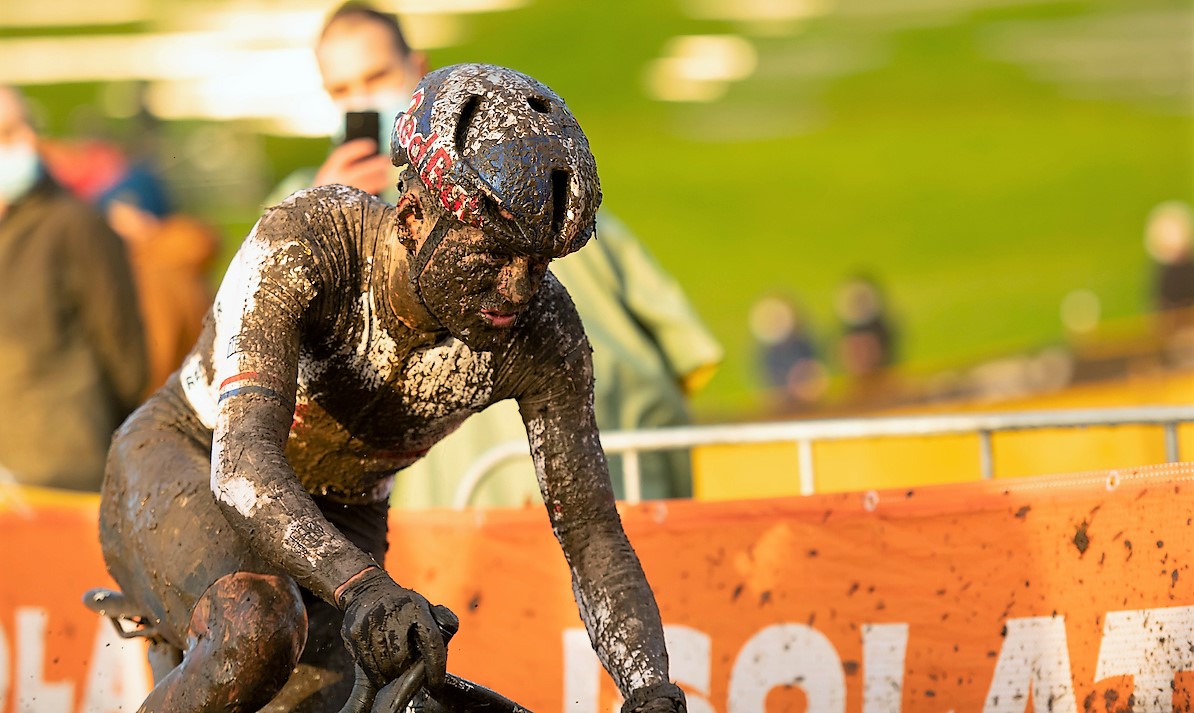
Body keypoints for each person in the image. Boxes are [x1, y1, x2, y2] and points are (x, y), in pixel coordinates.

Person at [99, 64, 687, 713]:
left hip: (341, 518)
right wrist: (360, 585)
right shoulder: (308, 240)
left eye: (539, 261)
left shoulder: (543, 331)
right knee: (256, 627)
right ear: (411, 216)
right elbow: (241, 469)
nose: (518, 289)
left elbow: (592, 532)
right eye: (494, 254)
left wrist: (648, 685)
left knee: (401, 701)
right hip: (189, 459)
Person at [0, 85, 147, 492]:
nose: (28, 143)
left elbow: (126, 358)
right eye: (7, 134)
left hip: (62, 473)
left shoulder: (75, 224)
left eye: (25, 127)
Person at [266, 1, 426, 206]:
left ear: (420, 70)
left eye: (377, 78)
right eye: (340, 90)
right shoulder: (294, 197)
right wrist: (319, 206)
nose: (361, 101)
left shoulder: (461, 171)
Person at [96, 163, 219, 397]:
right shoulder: (180, 257)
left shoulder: (154, 271)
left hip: (161, 408)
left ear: (143, 217)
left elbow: (156, 359)